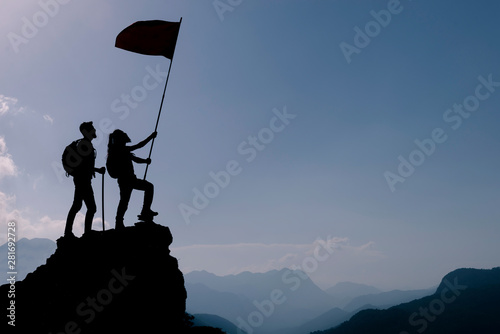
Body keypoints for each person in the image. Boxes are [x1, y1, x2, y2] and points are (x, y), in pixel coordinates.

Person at [107, 129, 157, 229]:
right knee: (147, 187)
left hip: (126, 180)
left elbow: (135, 159)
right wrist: (151, 137)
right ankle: (144, 211)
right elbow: (139, 146)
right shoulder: (120, 150)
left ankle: (119, 222)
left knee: (124, 201)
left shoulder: (117, 151)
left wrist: (145, 161)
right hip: (127, 180)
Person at [64, 122, 105, 237]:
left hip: (81, 179)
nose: (95, 130)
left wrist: (96, 170)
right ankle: (86, 233)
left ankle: (69, 232)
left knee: (77, 205)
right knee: (91, 207)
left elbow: (84, 165)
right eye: (92, 129)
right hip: (83, 180)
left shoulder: (84, 144)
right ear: (86, 131)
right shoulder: (84, 144)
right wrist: (97, 170)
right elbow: (84, 165)